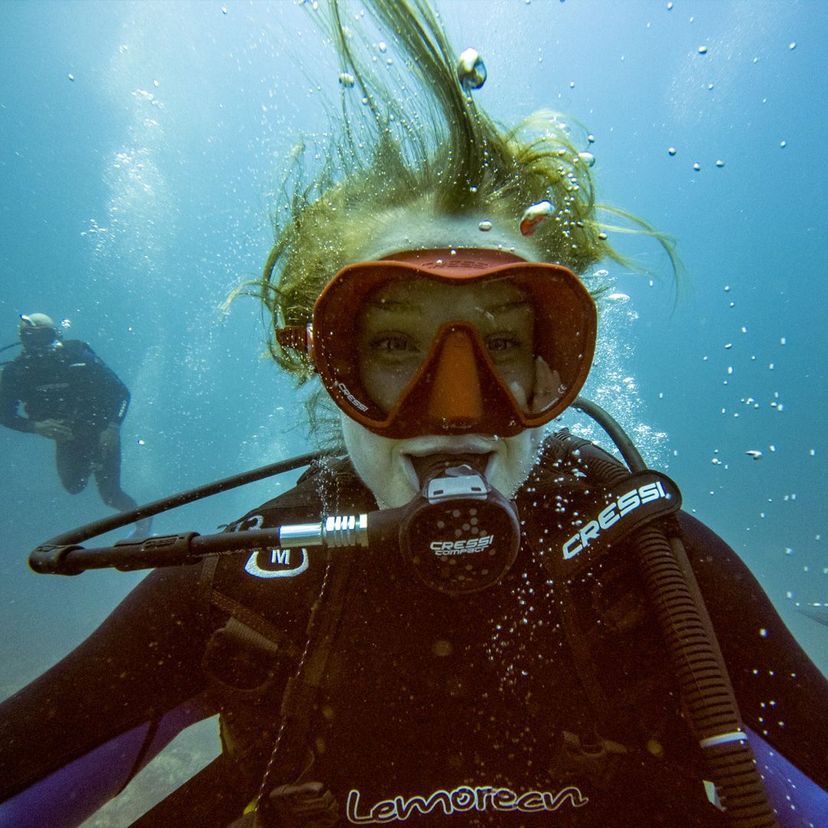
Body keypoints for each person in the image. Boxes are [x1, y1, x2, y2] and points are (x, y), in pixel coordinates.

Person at [0, 2, 825, 826]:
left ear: (555, 365)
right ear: (327, 363)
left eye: (502, 343)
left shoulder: (645, 568)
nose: (456, 407)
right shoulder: (250, 595)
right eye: (396, 346)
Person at [0, 312, 150, 534]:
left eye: (45, 336)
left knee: (110, 495)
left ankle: (144, 524)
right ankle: (92, 462)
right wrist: (35, 427)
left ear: (56, 335)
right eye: (32, 338)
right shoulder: (17, 372)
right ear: (23, 340)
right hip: (67, 437)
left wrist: (112, 428)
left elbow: (121, 393)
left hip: (101, 432)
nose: (39, 345)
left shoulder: (77, 355)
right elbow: (4, 414)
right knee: (73, 487)